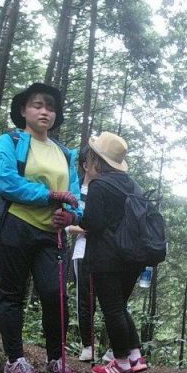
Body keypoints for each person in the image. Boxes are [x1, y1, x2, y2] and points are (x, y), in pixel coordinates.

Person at [0, 82, 80, 373]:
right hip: (14, 225)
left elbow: (76, 197)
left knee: (55, 295)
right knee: (11, 293)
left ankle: (56, 359)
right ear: (23, 110)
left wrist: (70, 215)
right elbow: (5, 181)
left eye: (50, 107)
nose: (44, 111)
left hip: (51, 235)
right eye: (37, 105)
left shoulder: (66, 154)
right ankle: (15, 359)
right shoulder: (10, 141)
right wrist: (50, 196)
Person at [79, 131, 149, 373]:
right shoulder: (133, 185)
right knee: (119, 306)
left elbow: (92, 223)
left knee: (112, 309)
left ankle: (120, 363)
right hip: (134, 258)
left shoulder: (100, 185)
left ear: (98, 159)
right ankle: (134, 356)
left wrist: (76, 218)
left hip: (107, 258)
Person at [68, 148, 108, 362]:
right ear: (85, 165)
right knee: (84, 298)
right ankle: (87, 345)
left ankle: (114, 348)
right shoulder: (75, 190)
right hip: (82, 250)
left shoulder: (103, 189)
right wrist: (86, 228)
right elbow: (68, 224)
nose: (100, 167)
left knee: (109, 297)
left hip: (105, 251)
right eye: (96, 162)